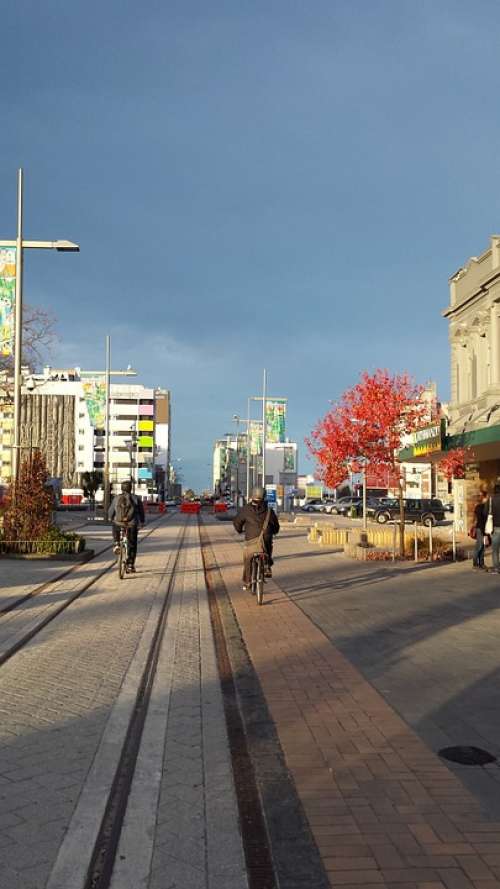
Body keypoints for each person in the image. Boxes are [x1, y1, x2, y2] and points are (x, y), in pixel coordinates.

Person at [233, 486, 280, 590]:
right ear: (264, 496)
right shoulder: (269, 511)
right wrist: (274, 531)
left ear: (252, 496)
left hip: (250, 539)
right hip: (265, 538)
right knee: (268, 545)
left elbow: (237, 522)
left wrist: (240, 530)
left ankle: (247, 581)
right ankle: (267, 565)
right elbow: (276, 526)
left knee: (247, 557)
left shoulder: (245, 509)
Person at [108, 480, 145, 573]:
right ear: (130, 488)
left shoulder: (116, 498)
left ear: (122, 488)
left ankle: (116, 543)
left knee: (115, 525)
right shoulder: (136, 498)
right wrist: (142, 522)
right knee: (132, 544)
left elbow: (111, 511)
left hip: (119, 522)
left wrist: (110, 518)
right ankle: (130, 565)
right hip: (132, 524)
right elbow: (141, 511)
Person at [472, 490, 488, 569]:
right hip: (481, 529)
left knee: (482, 546)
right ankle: (475, 564)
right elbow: (480, 520)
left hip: (481, 528)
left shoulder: (479, 506)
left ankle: (481, 563)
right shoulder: (481, 507)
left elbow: (475, 518)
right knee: (479, 546)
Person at [489, 483, 500, 573]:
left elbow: (486, 512)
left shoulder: (491, 500)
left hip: (495, 527)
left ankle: (496, 568)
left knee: (495, 550)